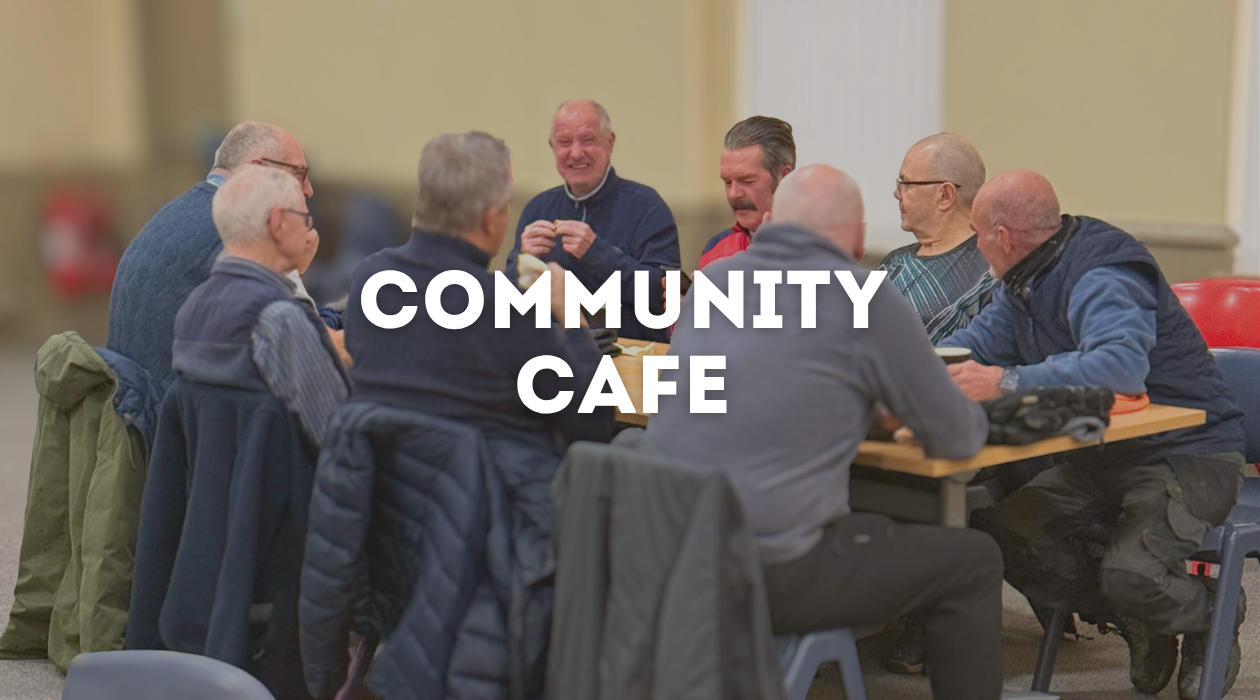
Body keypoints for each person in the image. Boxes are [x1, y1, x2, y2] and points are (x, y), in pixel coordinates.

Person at [647, 165, 1004, 700]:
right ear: (858, 237)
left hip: (671, 550)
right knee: (973, 560)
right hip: (772, 569)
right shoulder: (864, 297)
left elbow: (766, 391)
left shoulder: (715, 282)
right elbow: (955, 440)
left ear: (770, 221)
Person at [942, 170, 1248, 700]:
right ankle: (1141, 612)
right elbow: (974, 346)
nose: (975, 246)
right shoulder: (1024, 280)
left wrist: (1005, 381)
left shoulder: (1103, 273)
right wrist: (905, 366)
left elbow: (1118, 369)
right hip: (1103, 454)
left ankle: (1206, 612)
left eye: (975, 233)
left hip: (1190, 453)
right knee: (1003, 537)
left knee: (1133, 575)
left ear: (1001, 235)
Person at [346, 130, 614, 456]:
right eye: (506, 208)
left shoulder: (370, 278)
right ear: (490, 221)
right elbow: (594, 423)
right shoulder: (506, 308)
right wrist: (574, 321)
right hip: (492, 499)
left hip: (386, 491)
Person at [108, 121, 347, 392]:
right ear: (259, 171)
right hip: (188, 426)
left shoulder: (172, 214)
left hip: (142, 419)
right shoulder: (247, 230)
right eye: (300, 174)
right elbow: (311, 355)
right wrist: (293, 265)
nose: (308, 190)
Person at [172, 165, 349, 446]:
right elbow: (340, 438)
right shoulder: (279, 320)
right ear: (279, 224)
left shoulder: (191, 308)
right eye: (305, 218)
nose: (310, 231)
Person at [505, 100, 680, 343]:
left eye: (588, 140)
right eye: (564, 142)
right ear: (552, 147)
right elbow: (511, 304)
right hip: (552, 358)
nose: (576, 153)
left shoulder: (646, 206)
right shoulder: (538, 208)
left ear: (610, 143)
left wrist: (597, 252)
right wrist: (522, 262)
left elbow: (663, 300)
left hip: (630, 358)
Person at [882, 133, 996, 343]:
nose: (897, 194)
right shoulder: (894, 262)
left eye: (906, 184)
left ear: (945, 195)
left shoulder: (991, 271)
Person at [698, 116, 795, 270]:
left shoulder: (820, 245)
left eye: (747, 181)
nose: (733, 194)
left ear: (785, 177)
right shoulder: (717, 249)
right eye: (727, 182)